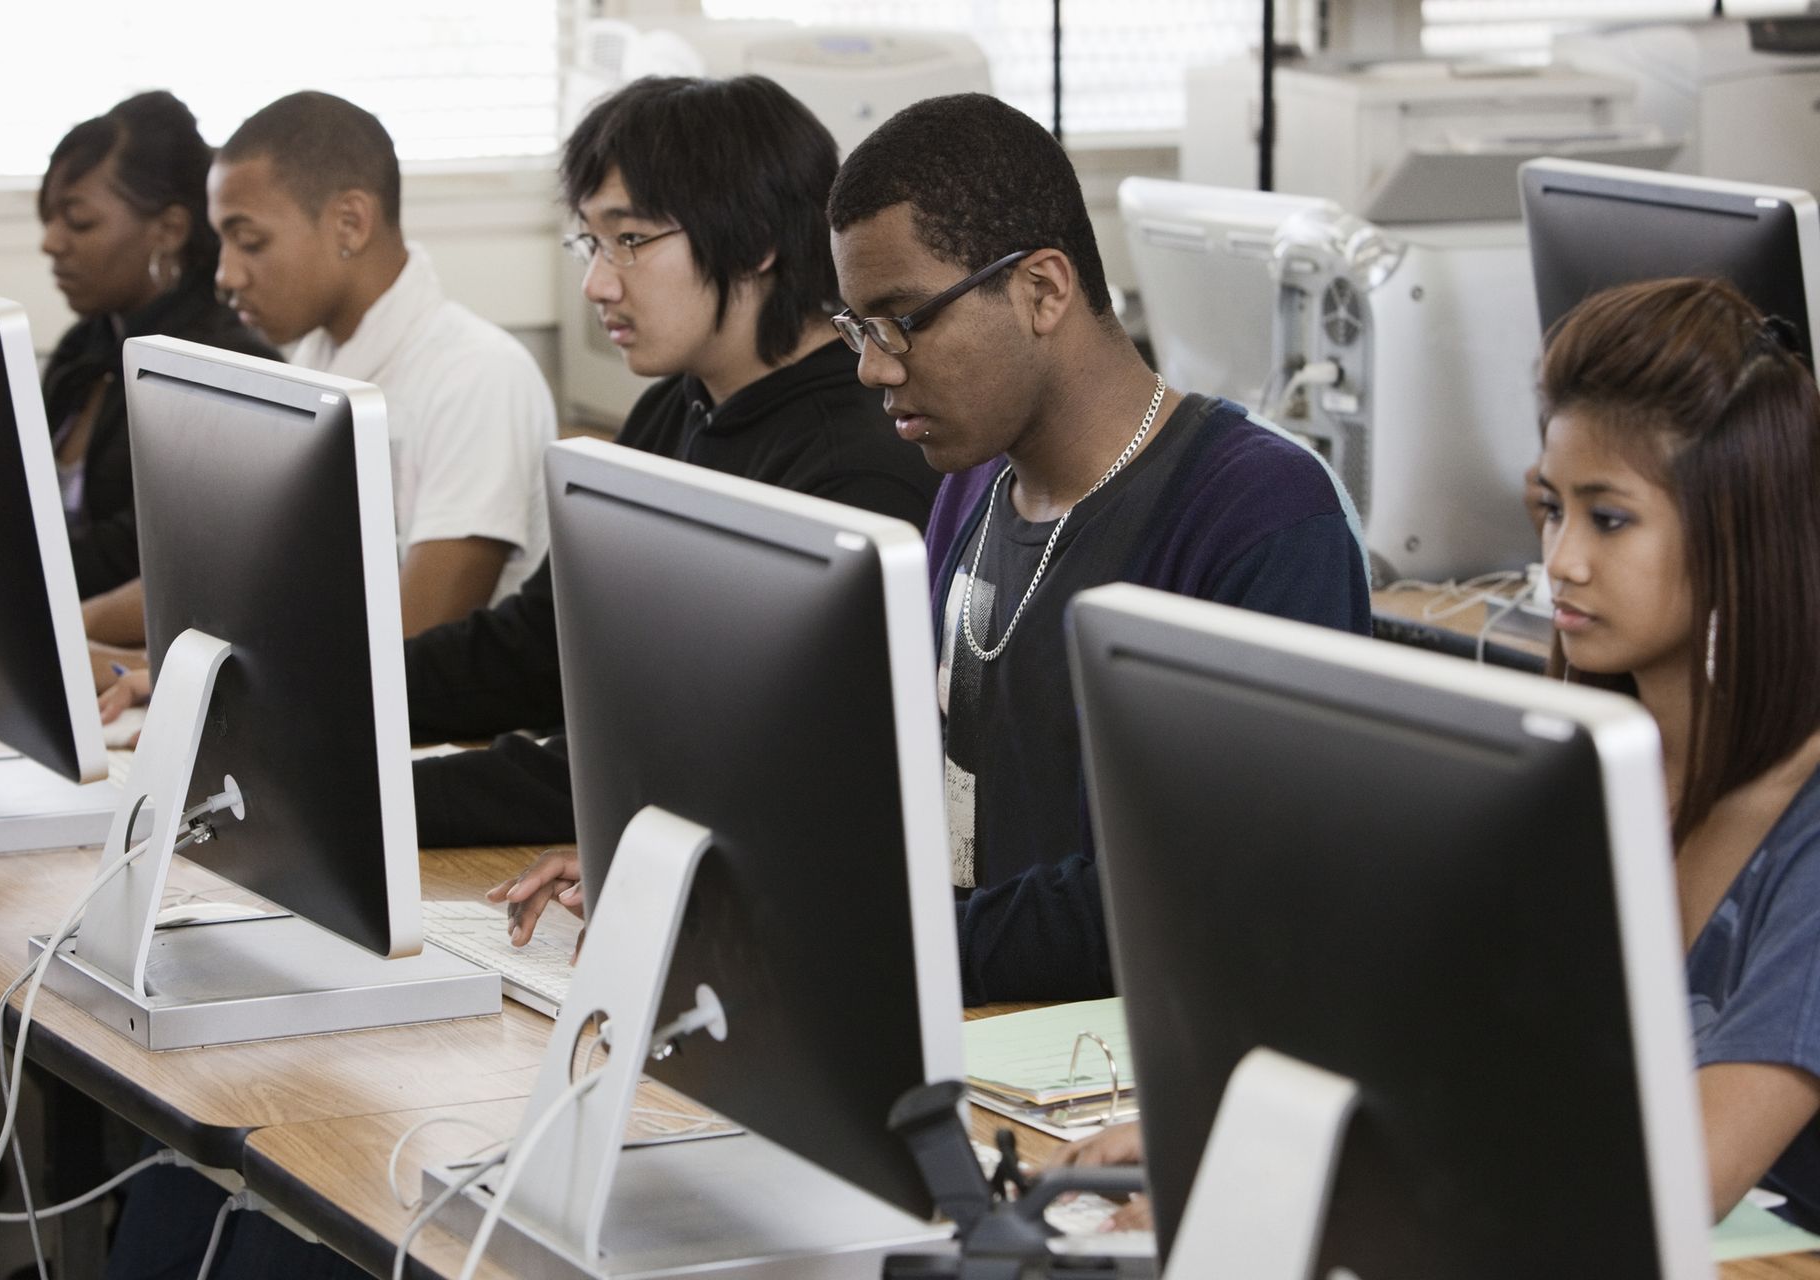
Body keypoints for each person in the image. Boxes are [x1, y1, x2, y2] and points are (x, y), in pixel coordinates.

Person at [499, 93, 1369, 991]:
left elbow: (1189, 901)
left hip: (1122, 1083)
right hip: (977, 1034)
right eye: (857, 327)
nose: (873, 366)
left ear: (1042, 290)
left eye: (902, 320)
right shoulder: (970, 492)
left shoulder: (1258, 515)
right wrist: (700, 868)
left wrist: (816, 938)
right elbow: (883, 788)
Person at [1054, 277, 1820, 1233]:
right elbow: (1427, 1041)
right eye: (1552, 509)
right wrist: (1221, 1137)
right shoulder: (1569, 772)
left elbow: (1681, 1176)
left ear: (1737, 535)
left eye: (1609, 518)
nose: (1563, 559)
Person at [411, 75, 941, 856]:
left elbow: (695, 758)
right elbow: (536, 646)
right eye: (590, 241)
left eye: (630, 240)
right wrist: (327, 706)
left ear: (757, 239)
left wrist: (367, 795)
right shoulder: (682, 403)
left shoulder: (857, 475)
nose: (596, 281)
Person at [87, 89, 556, 671]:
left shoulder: (478, 377)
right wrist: (72, 629)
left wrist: (162, 675)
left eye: (250, 240)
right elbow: (237, 568)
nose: (226, 275)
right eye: (224, 242)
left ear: (350, 223)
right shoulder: (310, 362)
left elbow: (417, 643)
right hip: (316, 702)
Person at [39, 90, 277, 600]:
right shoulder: (83, 347)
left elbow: (157, 553)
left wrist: (6, 567)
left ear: (168, 230)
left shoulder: (223, 367)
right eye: (49, 218)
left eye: (78, 220)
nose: (51, 242)